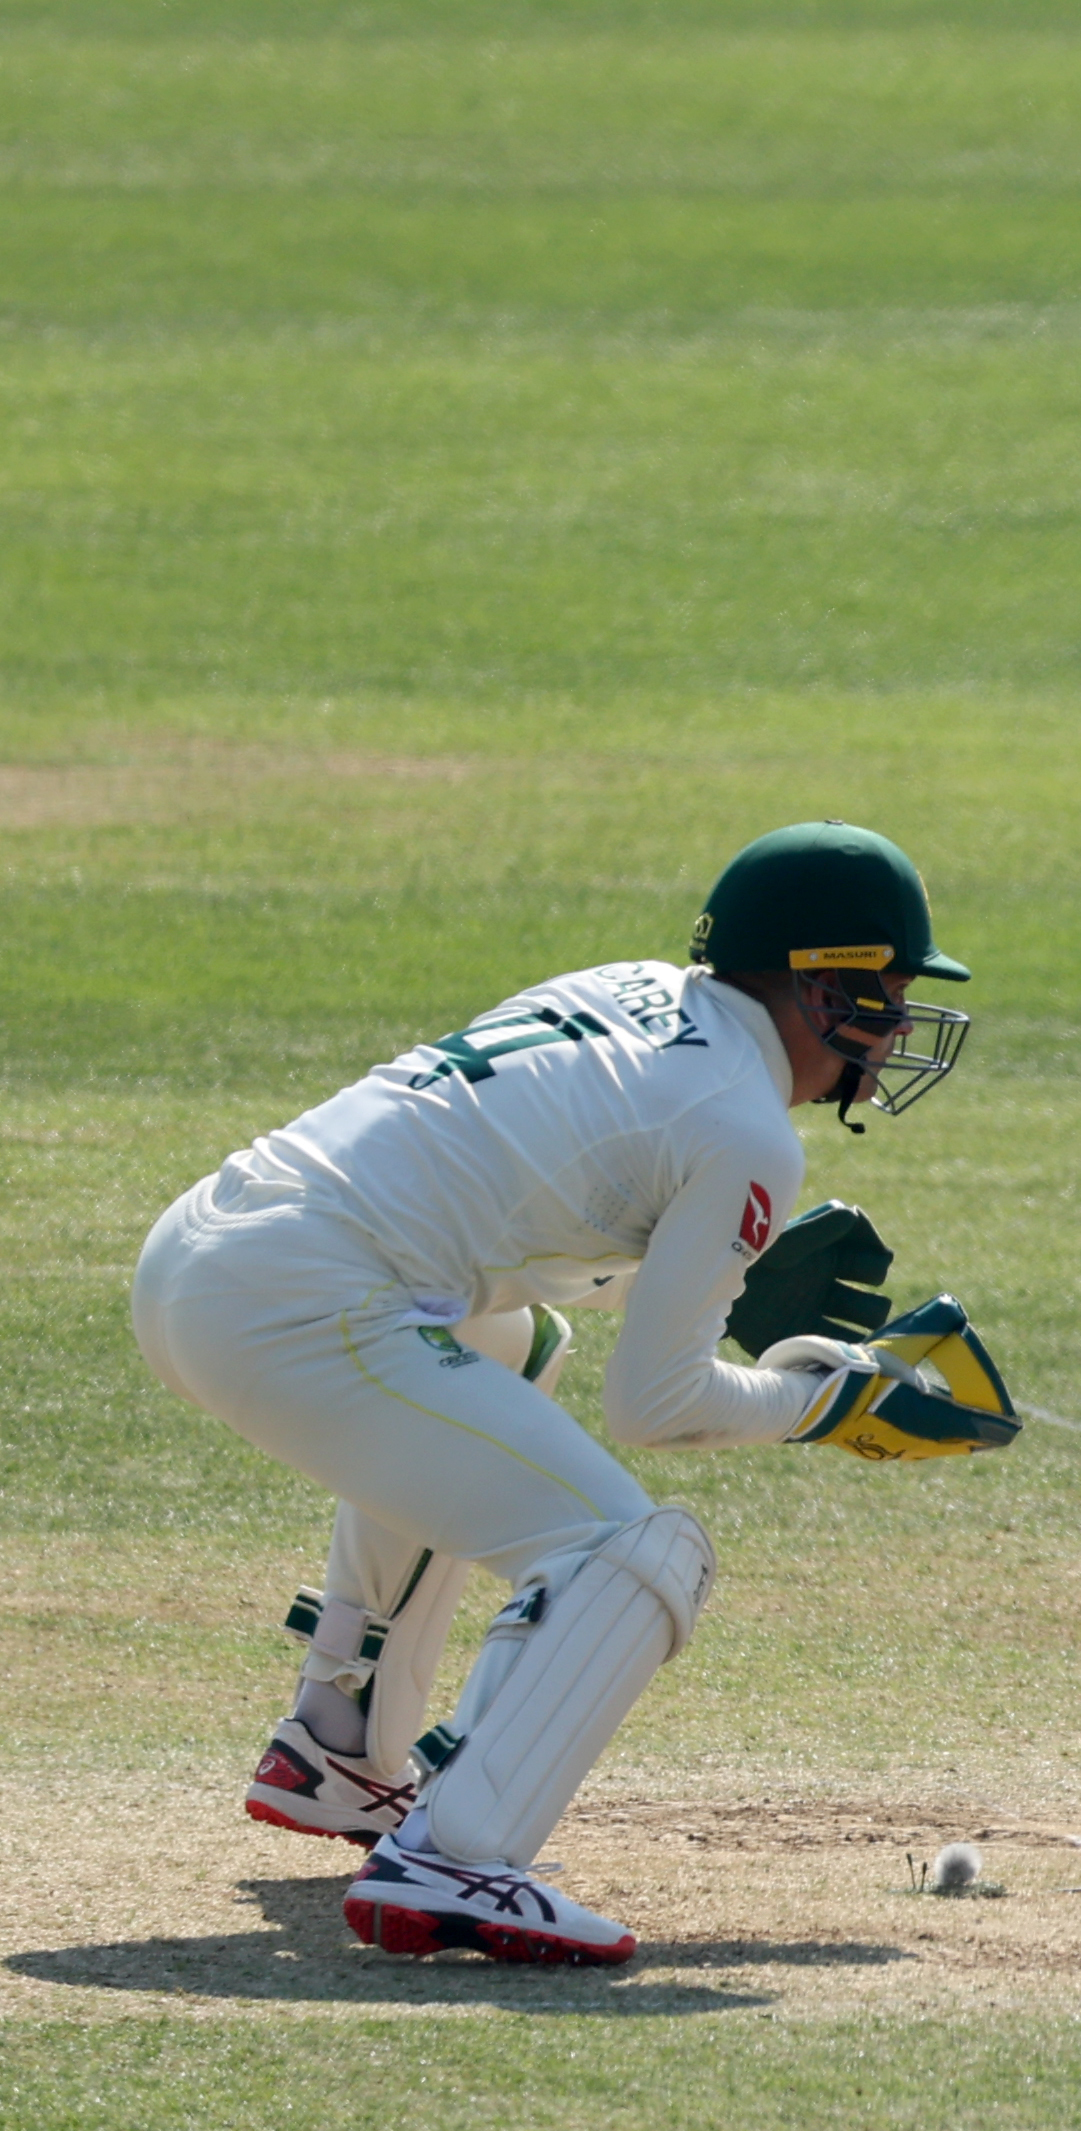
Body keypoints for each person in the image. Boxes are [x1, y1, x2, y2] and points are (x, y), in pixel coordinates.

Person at [130, 821, 1016, 1967]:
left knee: (504, 1340)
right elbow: (659, 1406)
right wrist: (824, 1399)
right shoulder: (747, 1133)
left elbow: (514, 1198)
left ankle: (343, 1748)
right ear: (815, 988)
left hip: (202, 1254)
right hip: (300, 1305)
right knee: (632, 1551)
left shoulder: (629, 990)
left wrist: (703, 1268)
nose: (899, 1028)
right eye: (887, 994)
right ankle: (455, 1858)